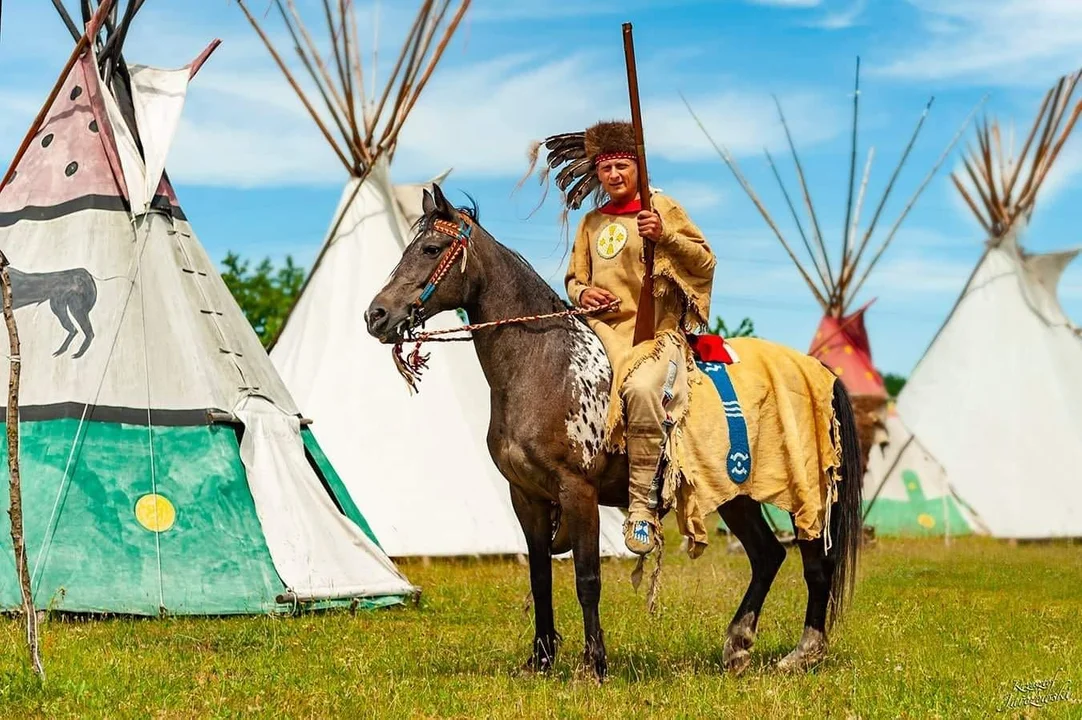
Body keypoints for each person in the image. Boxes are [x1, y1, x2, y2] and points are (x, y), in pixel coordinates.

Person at [533, 120, 717, 555]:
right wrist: (584, 292)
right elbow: (574, 280)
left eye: (622, 166)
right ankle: (560, 501)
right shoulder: (592, 223)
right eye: (605, 169)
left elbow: (706, 263)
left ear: (638, 167)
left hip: (655, 336)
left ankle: (641, 509)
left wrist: (665, 236)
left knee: (639, 388)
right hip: (599, 330)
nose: (613, 176)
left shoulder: (662, 207)